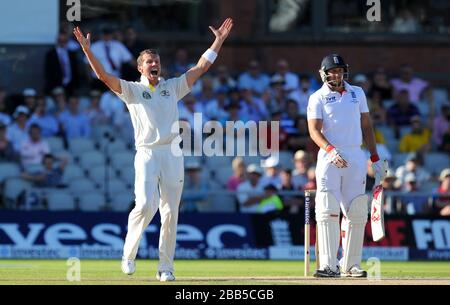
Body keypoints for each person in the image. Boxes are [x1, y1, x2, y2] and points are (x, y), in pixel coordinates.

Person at [73, 18, 233, 282]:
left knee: (170, 212)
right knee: (146, 205)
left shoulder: (172, 87)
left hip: (172, 153)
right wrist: (88, 50)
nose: (154, 64)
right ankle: (128, 254)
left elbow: (201, 67)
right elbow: (103, 76)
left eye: (157, 61)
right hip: (147, 153)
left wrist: (218, 40)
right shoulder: (132, 90)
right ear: (140, 68)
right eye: (149, 61)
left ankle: (166, 267)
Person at [307, 54, 387, 278]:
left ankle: (350, 265)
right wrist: (331, 150)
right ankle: (328, 265)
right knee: (326, 210)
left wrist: (375, 157)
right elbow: (314, 131)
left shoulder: (357, 92)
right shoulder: (317, 97)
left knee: (357, 211)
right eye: (333, 71)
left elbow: (366, 126)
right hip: (330, 156)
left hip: (355, 155)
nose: (337, 74)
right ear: (324, 74)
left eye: (340, 70)